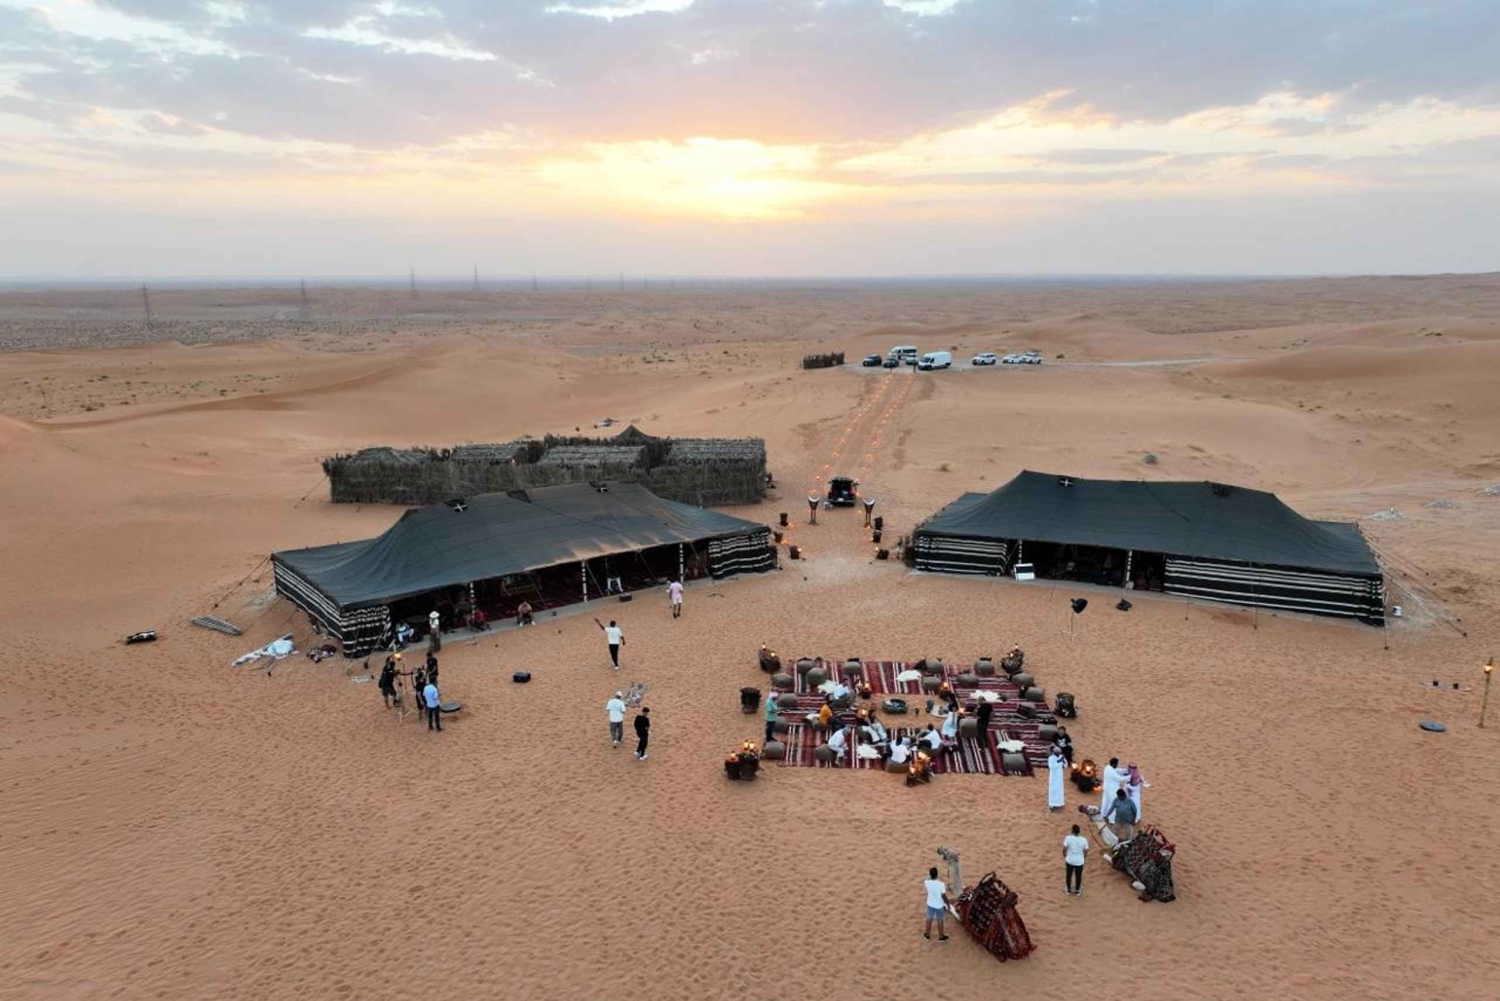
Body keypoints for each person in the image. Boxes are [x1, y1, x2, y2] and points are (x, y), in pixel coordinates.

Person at [922, 867, 951, 941]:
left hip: (930, 904)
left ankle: (927, 935)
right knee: (940, 920)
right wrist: (948, 904)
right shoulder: (941, 884)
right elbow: (944, 896)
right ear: (937, 875)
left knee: (929, 919)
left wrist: (929, 876)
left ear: (930, 875)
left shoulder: (927, 883)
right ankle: (941, 936)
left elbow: (925, 879)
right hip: (939, 905)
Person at [1063, 824, 1089, 896]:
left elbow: (1064, 848)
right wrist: (1084, 856)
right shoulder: (1084, 840)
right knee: (1078, 876)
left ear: (1072, 831)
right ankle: (1077, 891)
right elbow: (1086, 850)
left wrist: (1064, 854)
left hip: (1070, 860)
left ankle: (1068, 890)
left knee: (1069, 875)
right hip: (1080, 861)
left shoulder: (1068, 838)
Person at [1047, 745, 1067, 811]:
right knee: (1053, 790)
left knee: (1059, 790)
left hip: (1059, 777)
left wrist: (1063, 761)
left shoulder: (1061, 757)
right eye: (1057, 753)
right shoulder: (1051, 758)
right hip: (1053, 777)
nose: (1058, 754)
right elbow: (1051, 766)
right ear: (1054, 752)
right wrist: (1059, 761)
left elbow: (1066, 766)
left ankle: (1059, 803)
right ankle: (1052, 804)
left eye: (1059, 753)